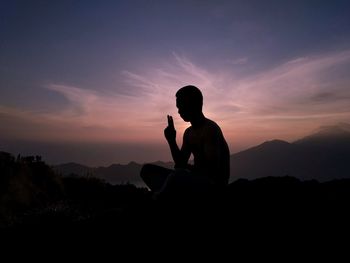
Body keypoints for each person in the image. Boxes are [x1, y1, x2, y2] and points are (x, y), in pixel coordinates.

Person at [140, 85, 230, 201]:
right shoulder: (188, 133)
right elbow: (180, 163)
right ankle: (168, 195)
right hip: (194, 181)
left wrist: (185, 170)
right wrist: (171, 140)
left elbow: (212, 172)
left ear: (192, 104)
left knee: (177, 176)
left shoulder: (210, 129)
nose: (178, 111)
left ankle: (160, 198)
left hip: (213, 187)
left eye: (180, 106)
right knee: (147, 170)